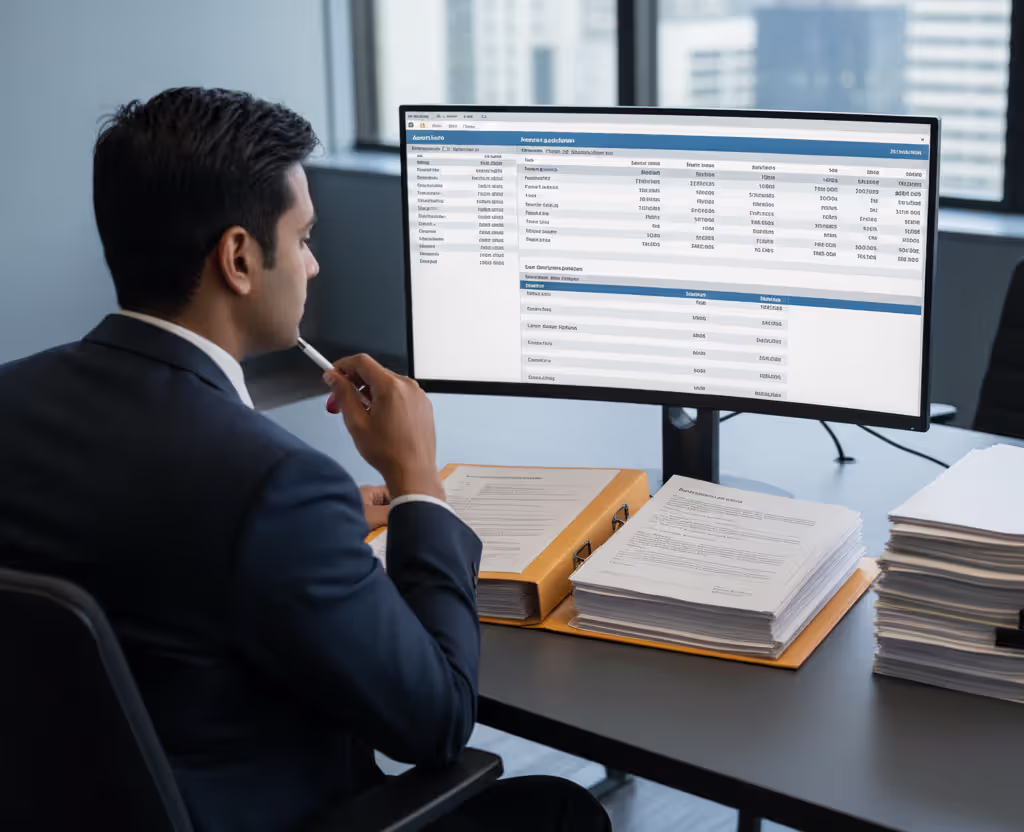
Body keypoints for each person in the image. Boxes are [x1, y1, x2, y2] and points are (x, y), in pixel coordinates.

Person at [0, 87, 610, 832]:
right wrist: (416, 482)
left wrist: (298, 536)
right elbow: (438, 723)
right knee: (559, 812)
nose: (314, 266)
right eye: (305, 238)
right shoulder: (273, 485)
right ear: (239, 258)